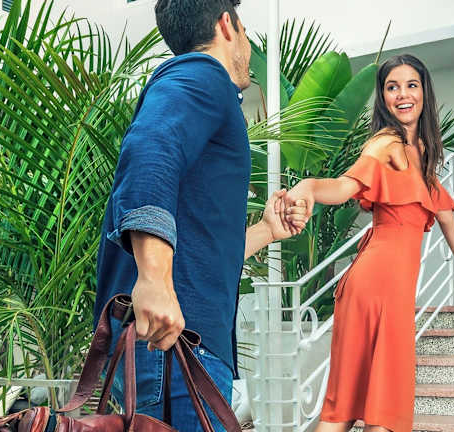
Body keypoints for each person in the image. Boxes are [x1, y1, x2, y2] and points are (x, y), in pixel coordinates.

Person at [93, 1, 306, 430]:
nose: (248, 46)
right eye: (246, 32)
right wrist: (154, 279)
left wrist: (267, 230)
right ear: (227, 25)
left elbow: (200, 251)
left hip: (175, 348)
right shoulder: (202, 74)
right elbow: (151, 148)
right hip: (176, 348)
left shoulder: (194, 86)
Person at [280, 54, 454, 432]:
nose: (403, 94)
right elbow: (346, 185)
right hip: (375, 284)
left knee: (366, 407)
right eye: (393, 87)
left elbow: (443, 213)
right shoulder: (385, 142)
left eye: (411, 85)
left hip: (393, 287)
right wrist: (309, 186)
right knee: (361, 409)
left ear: (424, 92)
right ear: (383, 97)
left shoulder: (421, 150)